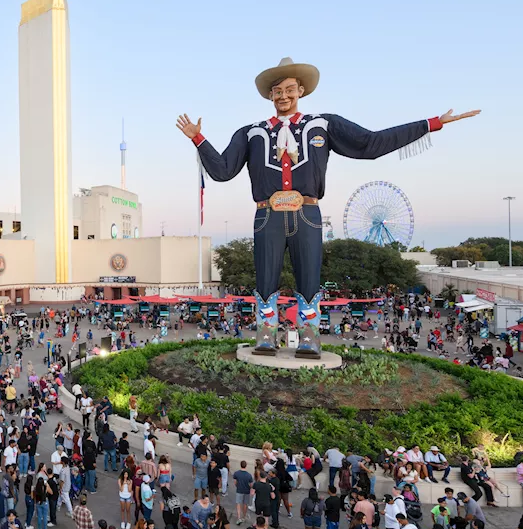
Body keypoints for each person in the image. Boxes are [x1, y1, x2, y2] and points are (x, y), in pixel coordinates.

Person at [179, 57, 478, 355]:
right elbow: (222, 170)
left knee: (310, 278)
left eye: (289, 89)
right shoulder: (251, 132)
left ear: (302, 90)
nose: (283, 96)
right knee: (265, 281)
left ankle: (309, 338)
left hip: (307, 213)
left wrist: (431, 124)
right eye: (277, 91)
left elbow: (371, 144)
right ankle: (265, 337)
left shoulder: (323, 125)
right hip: (266, 215)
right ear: (269, 96)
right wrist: (198, 138)